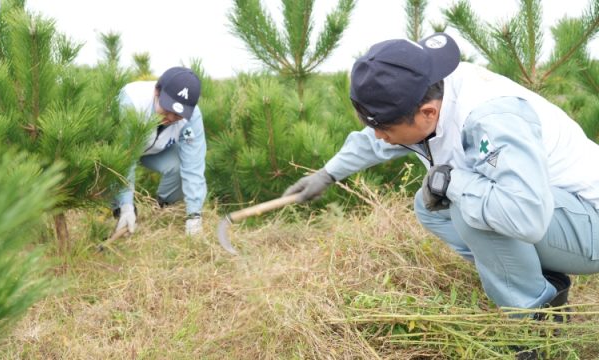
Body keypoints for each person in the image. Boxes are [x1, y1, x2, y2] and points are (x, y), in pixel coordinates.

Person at [284, 33, 599, 317]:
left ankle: (535, 317)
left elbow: (525, 216)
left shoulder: (492, 119)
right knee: (430, 206)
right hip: (558, 213)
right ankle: (538, 281)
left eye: (384, 129)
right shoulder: (428, 89)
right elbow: (374, 141)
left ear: (427, 114)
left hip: (590, 222)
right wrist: (327, 175)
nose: (380, 137)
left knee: (467, 206)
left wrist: (454, 182)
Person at [113, 67, 207, 236]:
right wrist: (126, 205)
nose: (171, 118)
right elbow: (124, 160)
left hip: (157, 150)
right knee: (112, 169)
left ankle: (163, 208)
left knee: (179, 166)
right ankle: (122, 213)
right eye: (168, 109)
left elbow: (193, 165)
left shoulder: (192, 116)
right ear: (157, 91)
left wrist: (194, 215)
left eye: (178, 115)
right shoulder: (132, 103)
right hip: (123, 151)